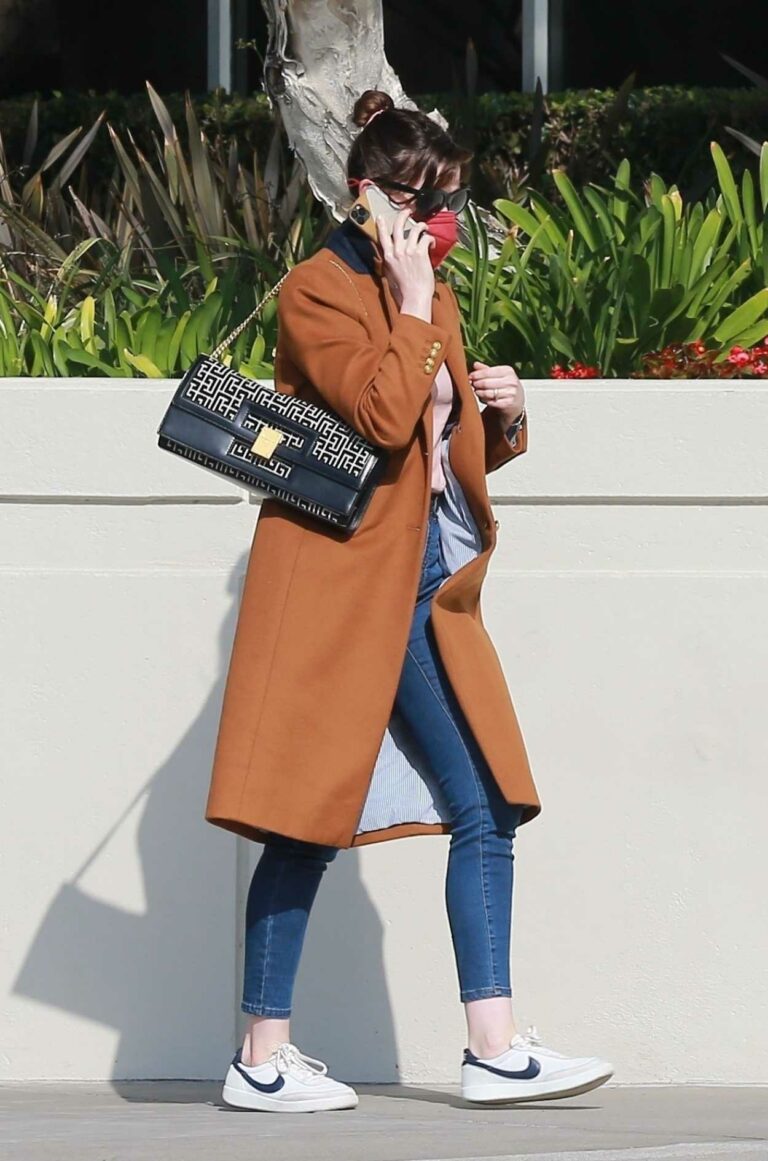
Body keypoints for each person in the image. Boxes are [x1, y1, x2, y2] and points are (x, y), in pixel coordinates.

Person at [211, 89, 614, 1113]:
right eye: (415, 199)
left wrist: (507, 417)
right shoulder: (319, 293)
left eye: (447, 202)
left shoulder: (422, 287)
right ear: (363, 193)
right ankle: (277, 1058)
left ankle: (476, 1045)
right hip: (347, 588)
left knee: (463, 806)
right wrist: (418, 303)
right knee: (322, 818)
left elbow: (441, 446)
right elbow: (387, 417)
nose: (435, 222)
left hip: (425, 583)